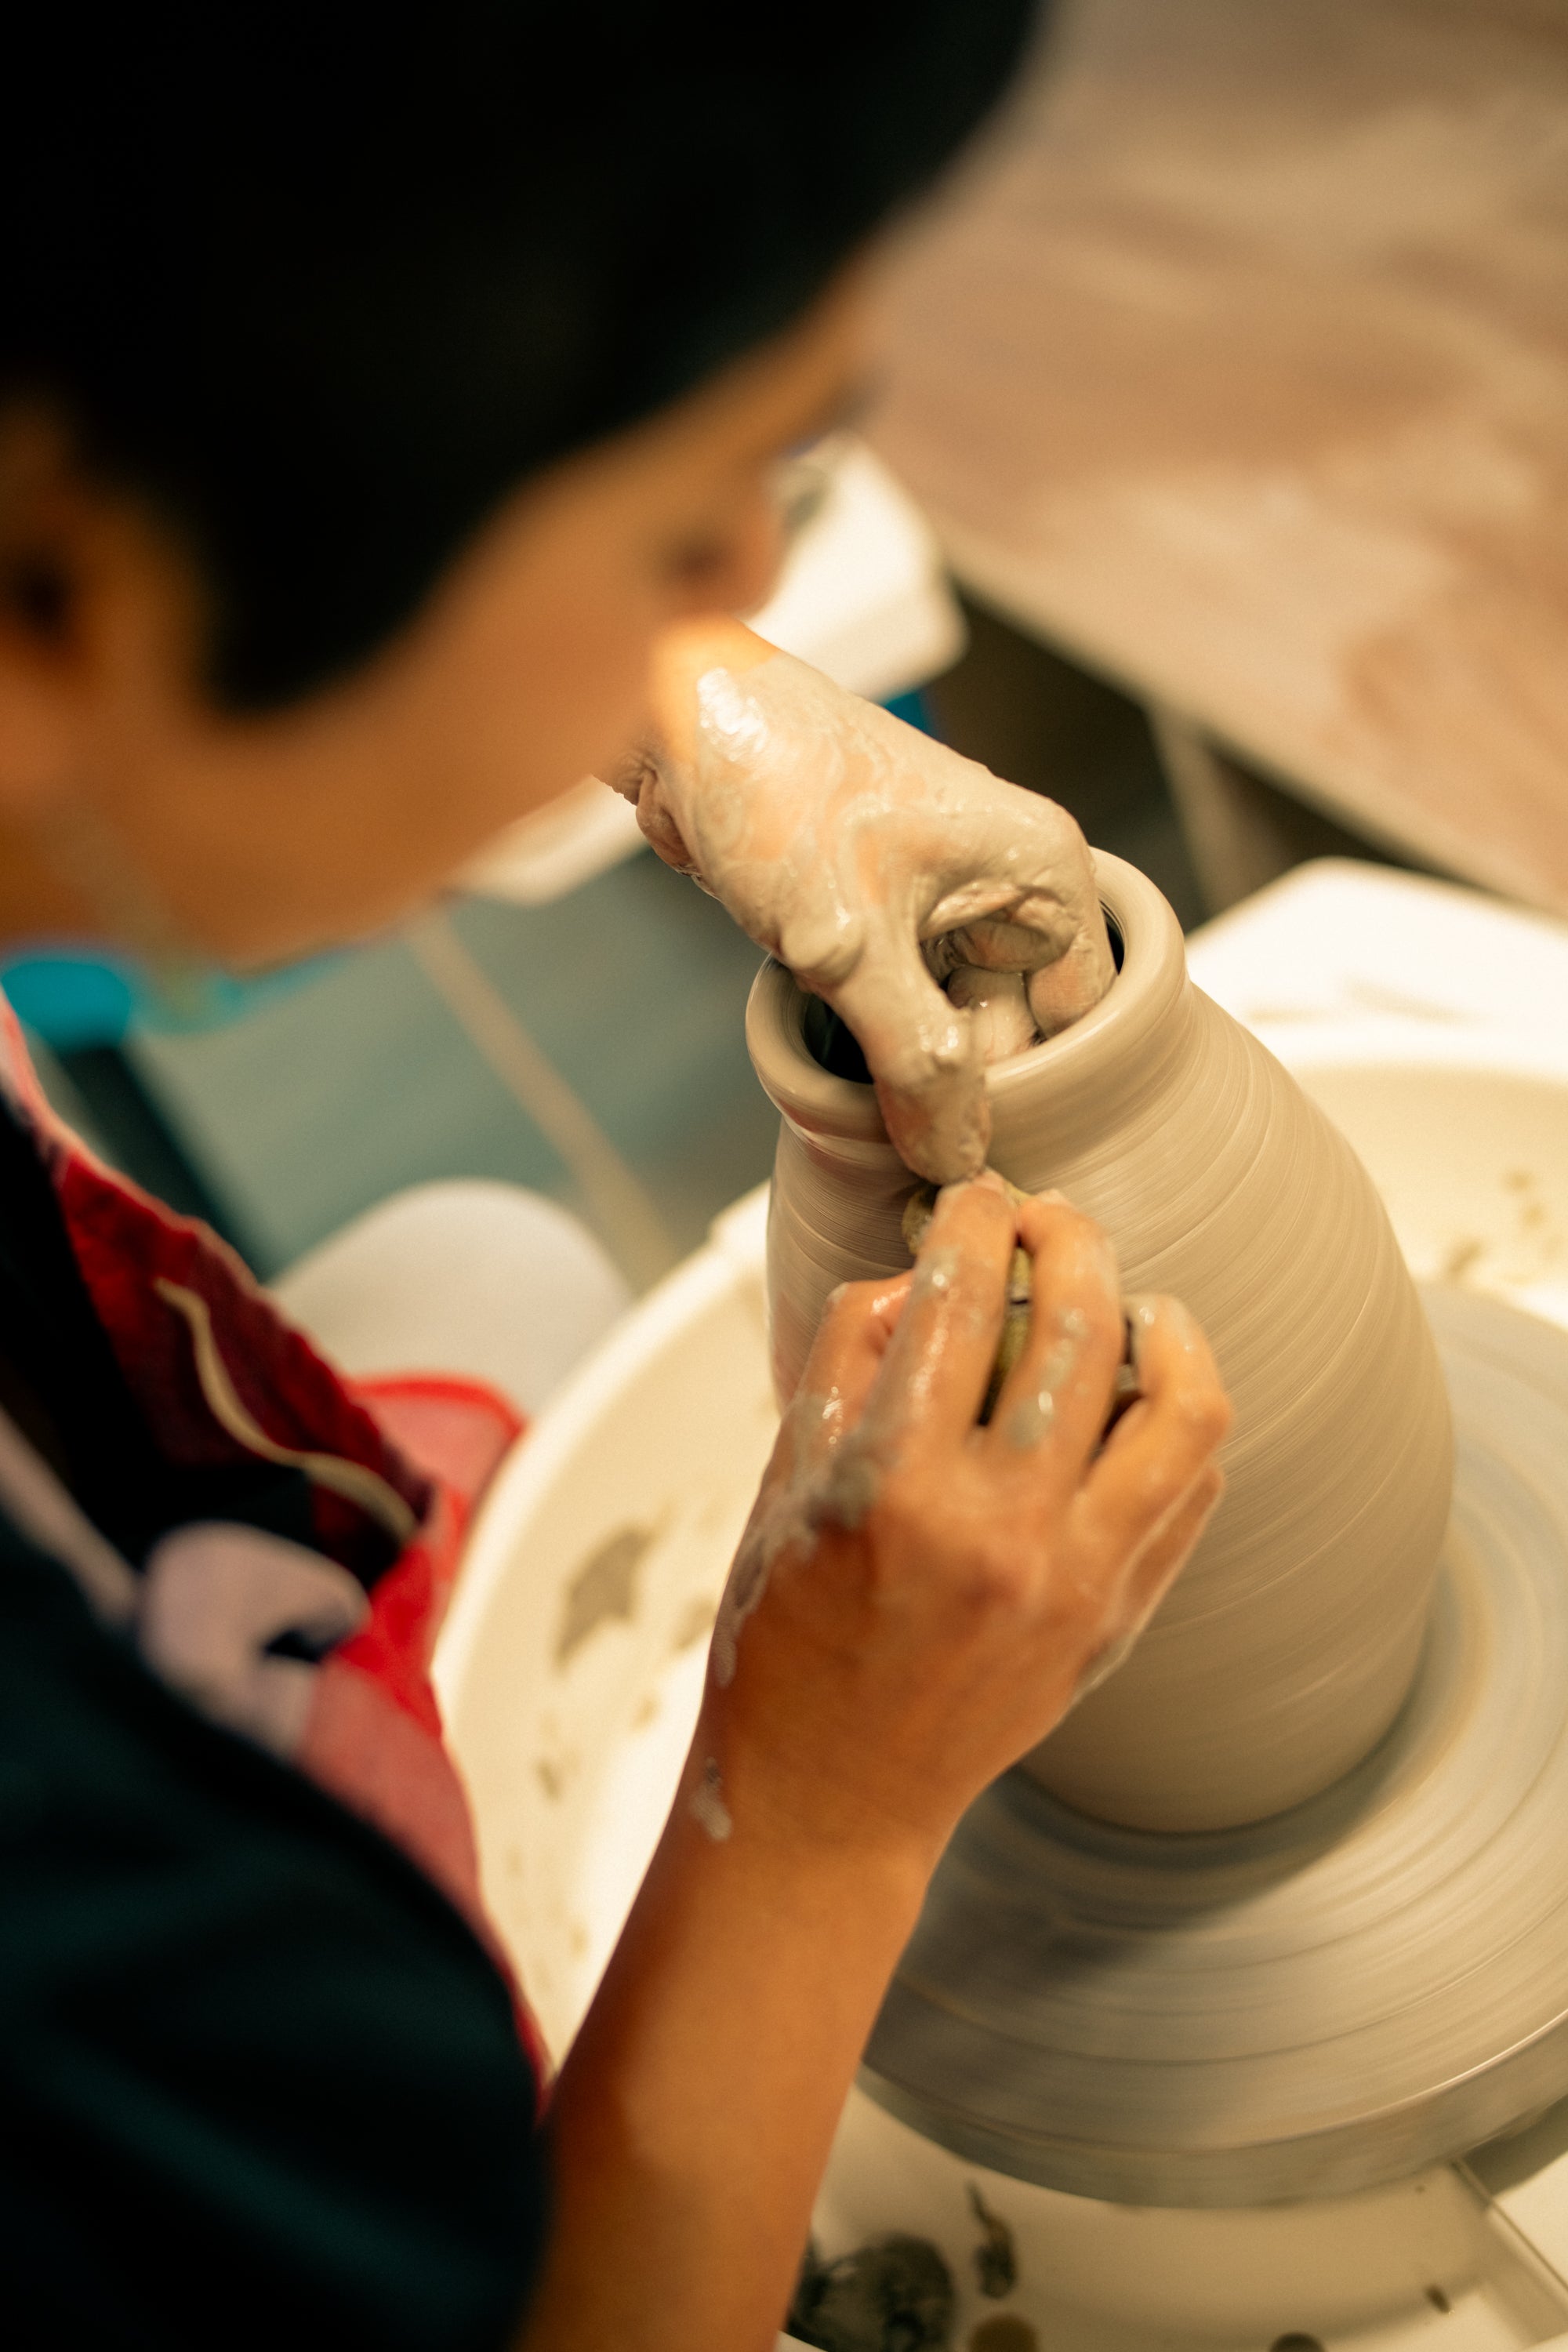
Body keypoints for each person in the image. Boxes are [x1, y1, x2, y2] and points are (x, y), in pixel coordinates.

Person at [0, 8, 1232, 2347]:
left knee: (482, 1258)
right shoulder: (79, 1955)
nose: (756, 575)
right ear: (80, 599)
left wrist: (678, 702)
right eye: (693, 521)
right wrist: (821, 1805)